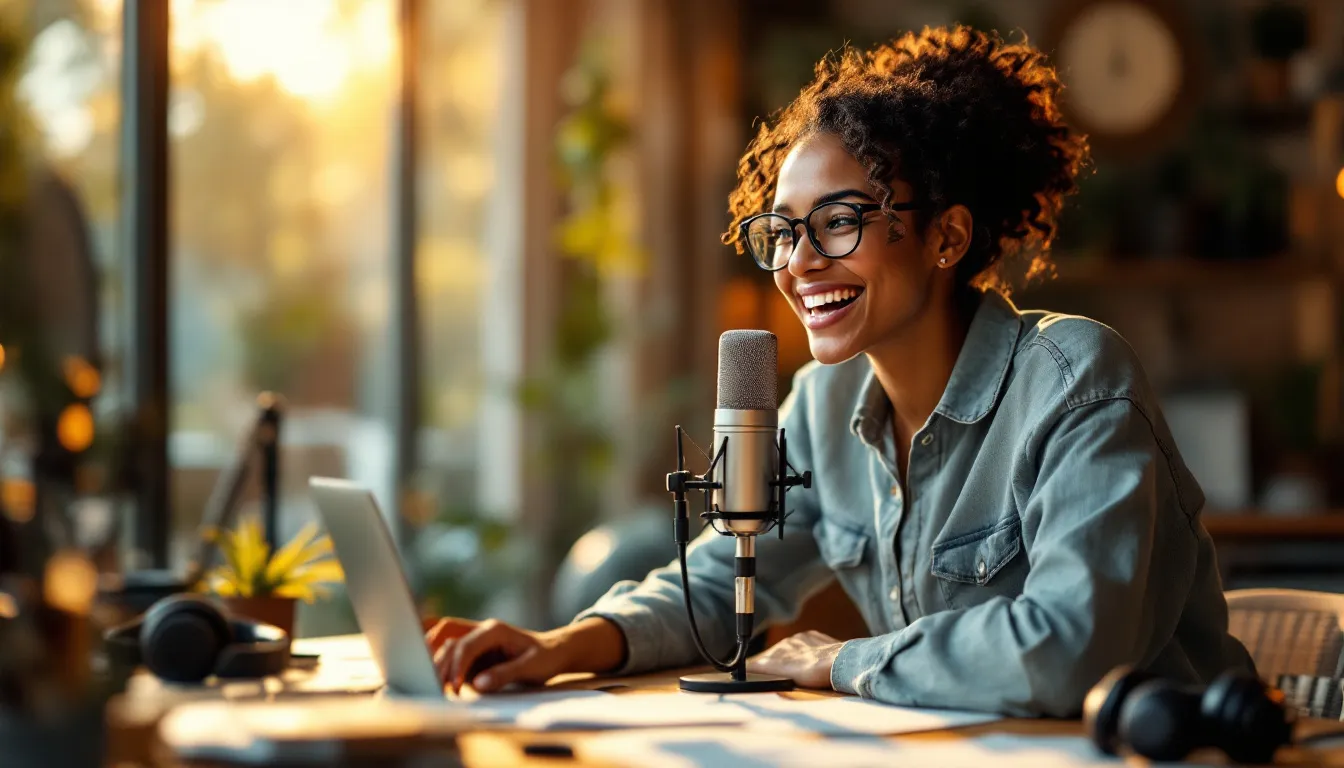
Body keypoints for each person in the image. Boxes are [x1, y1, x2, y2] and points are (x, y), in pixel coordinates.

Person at [424, 25, 1256, 717]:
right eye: (784, 231)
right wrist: (555, 646)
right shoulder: (824, 404)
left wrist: (849, 660)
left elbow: (1069, 651)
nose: (799, 263)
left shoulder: (1074, 378)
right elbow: (720, 580)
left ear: (947, 237)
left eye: (840, 221)